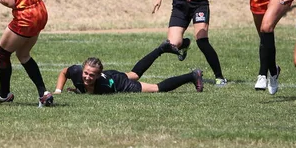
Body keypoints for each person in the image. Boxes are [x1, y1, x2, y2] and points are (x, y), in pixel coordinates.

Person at [53, 47, 204, 95]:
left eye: (91, 75)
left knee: (156, 88)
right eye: (85, 73)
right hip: (111, 74)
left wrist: (80, 91)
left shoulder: (104, 87)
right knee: (134, 74)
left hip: (117, 82)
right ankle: (161, 49)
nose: (86, 77)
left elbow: (92, 93)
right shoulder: (76, 71)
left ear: (98, 75)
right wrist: (58, 90)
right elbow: (64, 72)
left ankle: (192, 75)